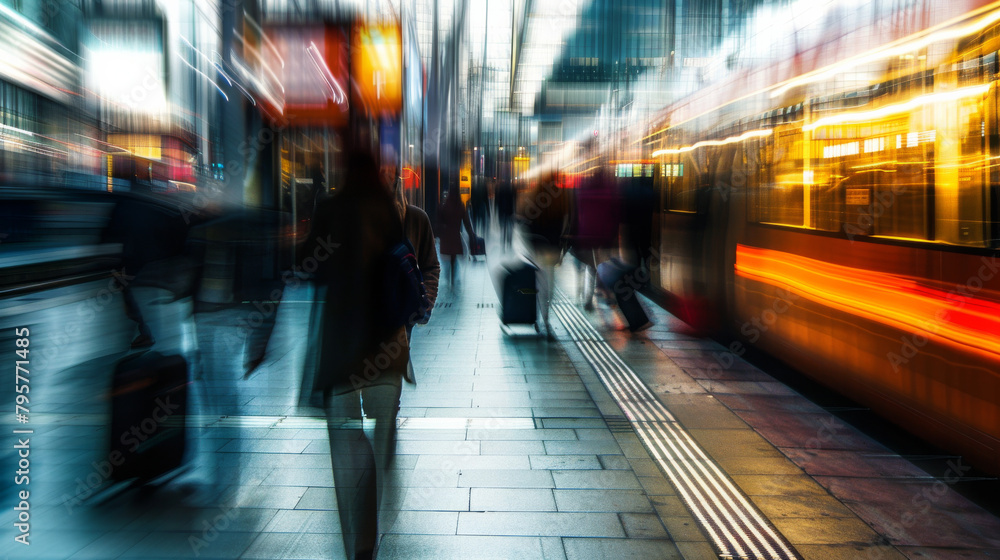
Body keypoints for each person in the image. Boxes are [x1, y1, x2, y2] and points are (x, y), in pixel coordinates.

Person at [300, 151, 406, 560]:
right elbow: (401, 264)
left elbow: (311, 268)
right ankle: (368, 536)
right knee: (377, 435)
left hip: (342, 348)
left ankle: (356, 541)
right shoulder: (387, 208)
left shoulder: (331, 208)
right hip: (384, 345)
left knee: (345, 441)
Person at [394, 180, 440, 381]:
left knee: (390, 385)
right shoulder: (359, 217)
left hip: (401, 317)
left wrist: (425, 302)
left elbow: (430, 265)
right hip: (361, 317)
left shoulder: (416, 218)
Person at [517, 171, 570, 339]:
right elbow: (564, 227)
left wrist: (529, 249)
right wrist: (561, 250)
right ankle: (545, 321)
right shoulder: (560, 201)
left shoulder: (532, 199)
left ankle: (542, 320)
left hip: (536, 250)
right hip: (551, 250)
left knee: (540, 286)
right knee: (549, 288)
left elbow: (523, 224)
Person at [436, 185, 476, 288]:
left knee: (447, 258)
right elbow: (466, 222)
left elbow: (439, 219)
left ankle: (448, 274)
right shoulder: (460, 205)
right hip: (455, 235)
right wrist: (471, 233)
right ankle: (453, 276)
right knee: (453, 257)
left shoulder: (445, 205)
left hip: (446, 236)